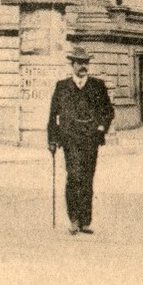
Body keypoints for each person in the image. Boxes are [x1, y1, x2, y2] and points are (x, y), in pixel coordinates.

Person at [47, 48, 115, 235]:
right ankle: (74, 219)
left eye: (86, 62)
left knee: (87, 179)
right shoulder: (62, 87)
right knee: (74, 177)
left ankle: (85, 221)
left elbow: (108, 111)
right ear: (73, 65)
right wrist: (52, 139)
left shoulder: (97, 86)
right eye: (79, 62)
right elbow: (53, 115)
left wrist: (101, 128)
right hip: (69, 140)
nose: (83, 66)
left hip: (90, 140)